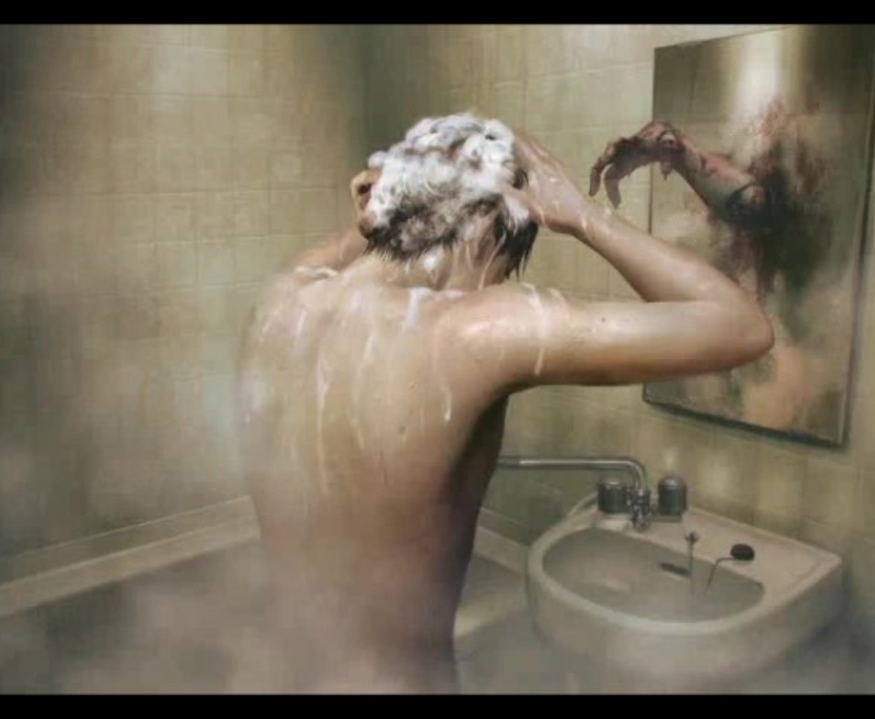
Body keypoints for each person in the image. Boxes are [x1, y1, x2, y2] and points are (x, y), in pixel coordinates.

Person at [235, 113, 774, 693]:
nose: (489, 287)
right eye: (500, 271)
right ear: (487, 234)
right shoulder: (468, 330)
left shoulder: (281, 302)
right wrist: (583, 215)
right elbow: (742, 327)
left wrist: (390, 203)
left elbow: (379, 232)